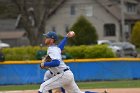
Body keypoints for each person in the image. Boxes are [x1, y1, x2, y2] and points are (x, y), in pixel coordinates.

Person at [38, 31, 107, 93]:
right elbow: (61, 47)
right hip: (67, 74)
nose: (45, 39)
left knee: (43, 87)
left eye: (47, 37)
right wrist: (66, 37)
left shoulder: (52, 49)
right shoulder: (56, 48)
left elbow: (56, 63)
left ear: (52, 40)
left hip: (63, 75)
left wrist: (44, 64)